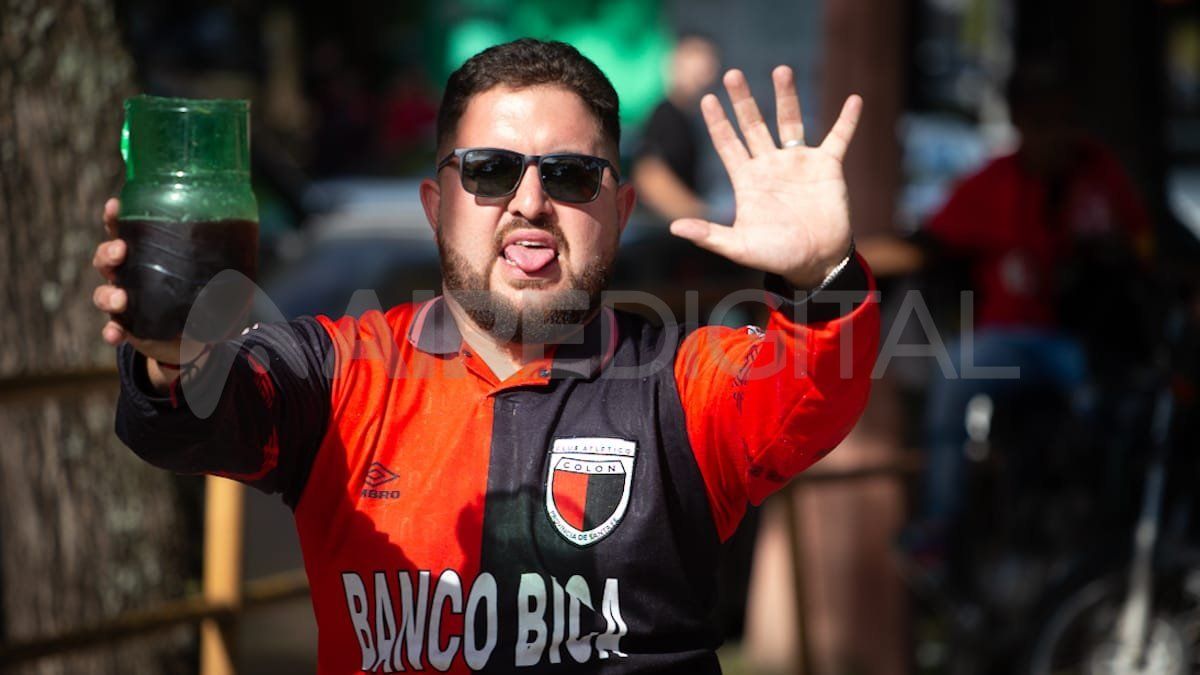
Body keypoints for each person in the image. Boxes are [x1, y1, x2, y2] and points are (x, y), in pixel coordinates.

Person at [91, 39, 879, 674]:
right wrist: (171, 360)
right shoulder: (340, 370)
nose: (530, 202)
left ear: (620, 209)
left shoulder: (680, 385)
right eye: (491, 171)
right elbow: (199, 418)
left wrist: (821, 278)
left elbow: (817, 386)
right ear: (437, 207)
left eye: (570, 176)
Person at [861, 59, 1153, 556]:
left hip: (1087, 342)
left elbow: (1143, 247)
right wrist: (830, 263)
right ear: (1021, 122)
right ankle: (943, 525)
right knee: (954, 371)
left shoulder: (1099, 172)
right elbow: (922, 244)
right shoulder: (994, 182)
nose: (1054, 134)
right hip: (1013, 341)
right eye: (1041, 120)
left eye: (1063, 119)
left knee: (1122, 405)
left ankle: (1114, 535)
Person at [632, 32, 721, 223]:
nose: (703, 70)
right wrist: (700, 216)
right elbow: (649, 176)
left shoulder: (688, 118)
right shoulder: (665, 115)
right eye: (693, 61)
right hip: (661, 232)